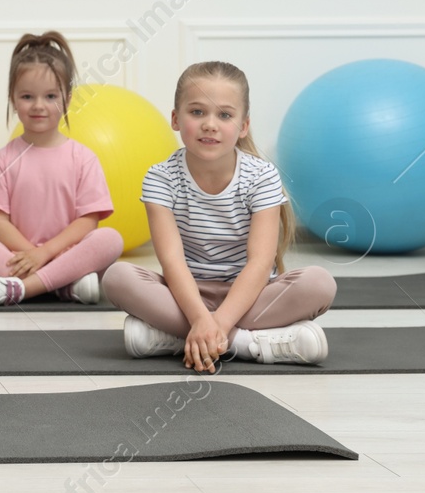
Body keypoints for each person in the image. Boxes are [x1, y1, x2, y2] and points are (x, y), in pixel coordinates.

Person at [103, 61, 336, 369]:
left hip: (251, 296)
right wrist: (200, 316)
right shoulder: (160, 178)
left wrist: (219, 321)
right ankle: (245, 343)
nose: (210, 124)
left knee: (320, 283)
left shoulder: (261, 176)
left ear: (243, 126)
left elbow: (260, 262)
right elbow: (172, 261)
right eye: (197, 112)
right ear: (175, 118)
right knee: (117, 277)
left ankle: (182, 338)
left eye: (224, 115)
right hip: (185, 294)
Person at [0, 32, 124, 306]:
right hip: (20, 258)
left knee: (110, 239)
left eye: (50, 96)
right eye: (27, 96)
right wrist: (31, 254)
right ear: (13, 98)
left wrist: (45, 253)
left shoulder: (84, 158)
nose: (38, 106)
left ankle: (20, 289)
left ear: (67, 99)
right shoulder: (0, 161)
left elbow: (88, 221)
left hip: (67, 256)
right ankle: (65, 286)